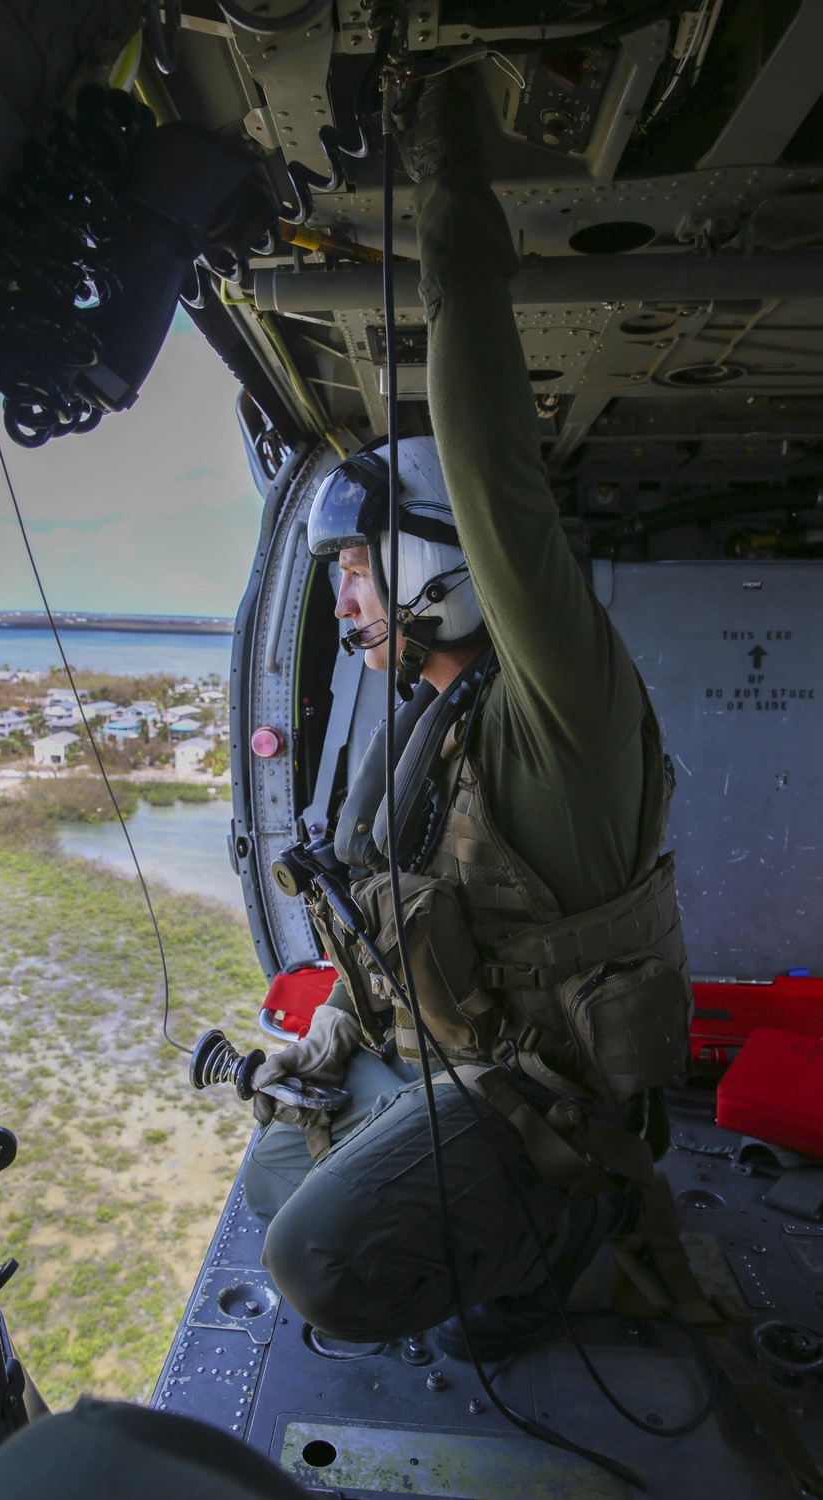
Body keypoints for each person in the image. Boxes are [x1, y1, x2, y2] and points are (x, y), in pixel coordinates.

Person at [243, 73, 692, 1358]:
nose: (344, 607)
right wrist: (331, 1039)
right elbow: (393, 929)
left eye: (354, 571)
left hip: (552, 1120)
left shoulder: (563, 715)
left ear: (443, 567)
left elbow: (489, 457)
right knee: (279, 1176)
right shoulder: (430, 724)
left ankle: (575, 1248)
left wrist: (446, 189)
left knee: (318, 1259)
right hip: (456, 1073)